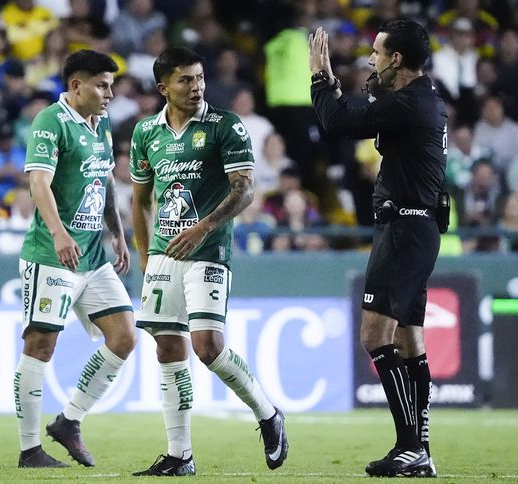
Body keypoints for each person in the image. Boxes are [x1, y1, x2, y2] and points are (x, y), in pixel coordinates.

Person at [129, 47, 288, 477]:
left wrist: (203, 227)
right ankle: (180, 455)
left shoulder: (225, 125)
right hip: (164, 253)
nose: (197, 86)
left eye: (199, 78)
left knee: (207, 346)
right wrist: (146, 257)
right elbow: (140, 199)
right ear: (163, 87)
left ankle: (268, 413)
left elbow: (245, 190)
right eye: (185, 80)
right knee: (167, 347)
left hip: (209, 249)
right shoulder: (146, 133)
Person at [309, 19, 445, 477]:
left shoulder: (409, 104)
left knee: (374, 337)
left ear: (397, 59)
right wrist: (345, 87)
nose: (370, 59)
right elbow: (366, 105)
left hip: (405, 230)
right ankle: (419, 446)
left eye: (377, 52)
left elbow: (338, 121)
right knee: (410, 337)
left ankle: (410, 446)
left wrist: (319, 79)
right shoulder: (420, 99)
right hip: (415, 228)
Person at [14, 49, 136, 469]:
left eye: (111, 85)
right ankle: (30, 450)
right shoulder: (51, 121)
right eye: (102, 85)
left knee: (124, 336)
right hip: (52, 255)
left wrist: (118, 234)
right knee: (40, 345)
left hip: (94, 256)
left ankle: (69, 421)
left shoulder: (100, 127)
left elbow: (103, 183)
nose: (109, 93)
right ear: (76, 85)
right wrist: (60, 233)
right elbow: (38, 183)